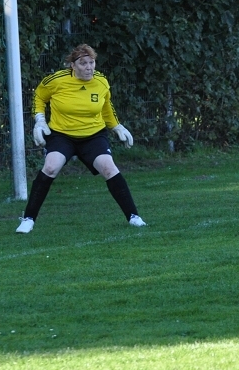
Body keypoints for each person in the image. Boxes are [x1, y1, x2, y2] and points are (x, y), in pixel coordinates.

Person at [15, 44, 146, 234]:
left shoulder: (101, 82)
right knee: (50, 167)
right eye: (83, 63)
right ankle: (28, 219)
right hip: (62, 135)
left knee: (109, 168)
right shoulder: (56, 80)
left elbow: (106, 107)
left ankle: (134, 217)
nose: (89, 67)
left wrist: (117, 126)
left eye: (91, 62)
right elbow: (39, 96)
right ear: (72, 65)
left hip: (93, 135)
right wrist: (40, 120)